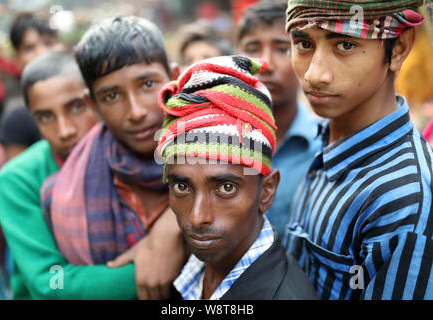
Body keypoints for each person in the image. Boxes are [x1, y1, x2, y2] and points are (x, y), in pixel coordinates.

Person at [282, 0, 433, 300]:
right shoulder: (327, 137)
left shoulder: (402, 199)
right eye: (303, 43)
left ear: (399, 48)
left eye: (345, 45)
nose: (314, 74)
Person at [41, 16, 187, 300]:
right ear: (93, 104)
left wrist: (175, 224)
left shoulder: (221, 158)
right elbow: (53, 283)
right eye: (111, 96)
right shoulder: (58, 196)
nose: (135, 112)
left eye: (147, 84)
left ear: (174, 79)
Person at [157, 55, 318, 300]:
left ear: (267, 191)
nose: (198, 217)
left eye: (226, 188)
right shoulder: (187, 273)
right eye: (181, 186)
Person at [0, 51, 102, 299]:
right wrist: (144, 270)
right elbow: (52, 281)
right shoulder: (16, 181)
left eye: (76, 107)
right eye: (46, 116)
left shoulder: (125, 158)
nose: (64, 130)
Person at [236, 1, 322, 236]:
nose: (265, 64)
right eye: (253, 49)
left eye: (282, 48)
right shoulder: (216, 142)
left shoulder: (325, 146)